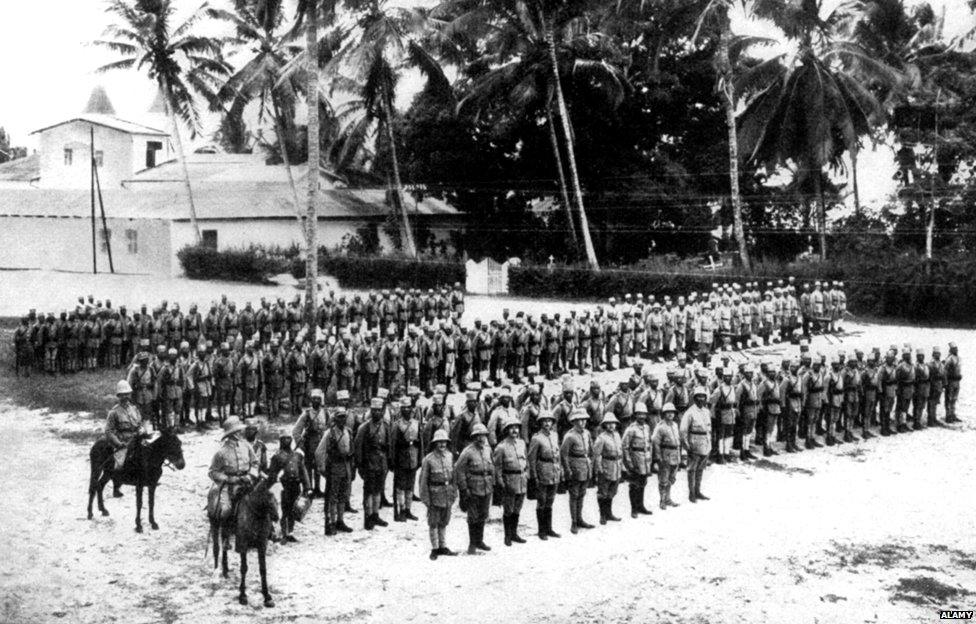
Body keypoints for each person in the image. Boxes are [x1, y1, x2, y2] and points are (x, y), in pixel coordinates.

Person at [207, 416, 259, 525]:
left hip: (247, 482)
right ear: (233, 433)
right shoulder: (221, 452)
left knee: (263, 502)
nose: (242, 432)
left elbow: (255, 463)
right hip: (229, 486)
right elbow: (212, 472)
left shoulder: (246, 446)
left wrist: (250, 476)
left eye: (241, 430)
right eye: (239, 431)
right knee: (225, 510)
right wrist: (228, 479)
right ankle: (225, 535)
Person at [454, 422, 494, 555]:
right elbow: (459, 470)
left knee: (483, 514)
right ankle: (472, 543)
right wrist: (464, 489)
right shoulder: (467, 452)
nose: (481, 438)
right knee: (473, 516)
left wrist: (493, 483)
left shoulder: (488, 450)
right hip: (473, 487)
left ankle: (479, 541)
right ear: (473, 437)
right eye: (477, 436)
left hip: (486, 486)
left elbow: (491, 467)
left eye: (483, 436)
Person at [104, 379, 148, 497]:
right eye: (122, 394)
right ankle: (117, 486)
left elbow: (140, 423)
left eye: (127, 394)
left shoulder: (134, 408)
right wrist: (118, 443)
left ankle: (146, 478)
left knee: (149, 452)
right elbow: (108, 431)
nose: (125, 397)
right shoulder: (114, 412)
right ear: (118, 396)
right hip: (123, 441)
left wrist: (142, 430)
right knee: (120, 463)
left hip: (136, 438)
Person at [316, 408, 355, 536]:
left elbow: (351, 450)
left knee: (343, 496)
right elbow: (319, 452)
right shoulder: (329, 433)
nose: (342, 420)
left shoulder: (348, 431)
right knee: (332, 497)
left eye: (344, 417)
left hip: (346, 466)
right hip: (334, 467)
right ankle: (331, 522)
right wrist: (322, 468)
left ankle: (340, 521)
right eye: (339, 417)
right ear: (335, 418)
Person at [419, 429, 457, 560]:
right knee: (434, 522)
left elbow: (454, 477)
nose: (442, 445)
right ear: (435, 443)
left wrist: (454, 492)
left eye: (444, 442)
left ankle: (443, 546)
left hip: (447, 494)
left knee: (444, 521)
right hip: (434, 495)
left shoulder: (450, 456)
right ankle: (435, 548)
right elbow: (423, 482)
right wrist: (426, 499)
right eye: (439, 442)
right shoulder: (428, 460)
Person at [353, 399, 391, 530]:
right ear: (370, 410)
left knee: (378, 490)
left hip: (382, 463)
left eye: (379, 410)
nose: (376, 412)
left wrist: (388, 462)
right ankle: (368, 517)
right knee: (368, 491)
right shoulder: (364, 427)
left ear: (382, 411)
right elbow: (358, 448)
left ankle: (375, 514)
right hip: (369, 463)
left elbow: (388, 445)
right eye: (374, 410)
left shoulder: (385, 426)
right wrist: (360, 466)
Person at [268, 429, 311, 543]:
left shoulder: (297, 455)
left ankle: (290, 532)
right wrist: (275, 482)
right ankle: (283, 533)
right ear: (281, 441)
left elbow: (303, 471)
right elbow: (272, 473)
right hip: (284, 486)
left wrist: (307, 486)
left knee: (294, 510)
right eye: (284, 439)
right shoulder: (276, 456)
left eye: (288, 438)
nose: (287, 441)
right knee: (284, 510)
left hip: (295, 484)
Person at [492, 416, 528, 546]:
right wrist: (501, 483)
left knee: (517, 509)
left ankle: (514, 533)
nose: (514, 430)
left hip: (521, 480)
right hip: (509, 481)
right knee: (508, 510)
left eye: (516, 427)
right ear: (506, 430)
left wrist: (526, 473)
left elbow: (526, 461)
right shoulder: (501, 447)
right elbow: (497, 468)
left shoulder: (522, 443)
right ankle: (507, 536)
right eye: (511, 428)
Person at [526, 410, 562, 540]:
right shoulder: (536, 438)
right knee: (541, 501)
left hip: (554, 470)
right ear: (540, 423)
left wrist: (560, 469)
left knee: (550, 501)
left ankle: (549, 528)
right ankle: (542, 531)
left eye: (549, 421)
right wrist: (534, 476)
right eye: (544, 421)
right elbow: (531, 459)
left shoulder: (555, 435)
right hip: (543, 472)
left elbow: (558, 454)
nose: (547, 423)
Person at [560, 409, 594, 534]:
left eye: (584, 419)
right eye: (580, 420)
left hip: (585, 466)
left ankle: (580, 519)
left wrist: (591, 463)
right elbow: (563, 455)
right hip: (575, 468)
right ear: (574, 421)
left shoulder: (587, 433)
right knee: (574, 495)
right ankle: (574, 522)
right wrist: (567, 470)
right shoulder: (569, 436)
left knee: (582, 494)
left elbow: (590, 450)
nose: (583, 422)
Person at [292, 389, 330, 498]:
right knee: (308, 466)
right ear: (311, 400)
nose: (316, 401)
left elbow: (329, 427)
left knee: (319, 465)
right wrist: (300, 444)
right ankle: (309, 489)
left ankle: (318, 488)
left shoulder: (326, 412)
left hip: (321, 442)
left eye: (318, 399)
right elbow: (296, 431)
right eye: (314, 399)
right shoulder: (306, 414)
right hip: (309, 443)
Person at [390, 397, 422, 522]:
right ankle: (401, 509)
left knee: (410, 485)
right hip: (401, 459)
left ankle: (408, 510)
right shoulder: (397, 425)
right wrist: (392, 461)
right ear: (400, 410)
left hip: (413, 457)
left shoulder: (416, 423)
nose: (407, 410)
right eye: (404, 408)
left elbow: (421, 443)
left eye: (408, 408)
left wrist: (420, 458)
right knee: (400, 486)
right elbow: (393, 445)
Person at [621, 403, 654, 518]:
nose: (642, 417)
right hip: (635, 458)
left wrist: (650, 459)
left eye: (643, 414)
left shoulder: (647, 427)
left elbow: (649, 443)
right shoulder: (631, 429)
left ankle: (641, 506)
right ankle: (634, 509)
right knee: (634, 484)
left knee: (643, 482)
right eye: (639, 414)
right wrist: (629, 462)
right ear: (635, 415)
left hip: (645, 459)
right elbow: (624, 446)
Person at [680, 386, 711, 503]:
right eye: (699, 396)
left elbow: (709, 429)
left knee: (700, 469)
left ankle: (698, 491)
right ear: (694, 398)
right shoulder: (690, 413)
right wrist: (687, 446)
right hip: (694, 443)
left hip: (705, 444)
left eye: (703, 397)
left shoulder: (706, 411)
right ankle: (691, 493)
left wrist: (709, 444)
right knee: (692, 469)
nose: (701, 399)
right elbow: (683, 431)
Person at [592, 413, 623, 524]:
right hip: (606, 466)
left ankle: (609, 513)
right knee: (603, 492)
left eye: (613, 423)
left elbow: (621, 451)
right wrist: (599, 469)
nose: (611, 425)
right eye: (608, 423)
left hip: (616, 466)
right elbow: (596, 455)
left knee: (612, 491)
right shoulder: (601, 438)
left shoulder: (617, 435)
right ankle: (603, 515)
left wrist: (622, 465)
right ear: (604, 425)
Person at [651, 403, 682, 510]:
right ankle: (662, 500)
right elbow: (655, 442)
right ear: (664, 414)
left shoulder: (675, 425)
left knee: (671, 478)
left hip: (675, 454)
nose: (670, 414)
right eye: (668, 412)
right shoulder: (660, 427)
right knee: (663, 479)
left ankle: (668, 499)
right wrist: (658, 458)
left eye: (672, 412)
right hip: (665, 455)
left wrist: (679, 457)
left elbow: (678, 442)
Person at [944, 342, 962, 423]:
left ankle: (953, 414)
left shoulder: (958, 358)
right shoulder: (949, 359)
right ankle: (948, 416)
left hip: (957, 382)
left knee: (954, 399)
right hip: (950, 381)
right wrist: (946, 382)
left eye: (956, 349)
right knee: (949, 398)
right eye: (954, 349)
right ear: (951, 350)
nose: (956, 350)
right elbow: (945, 371)